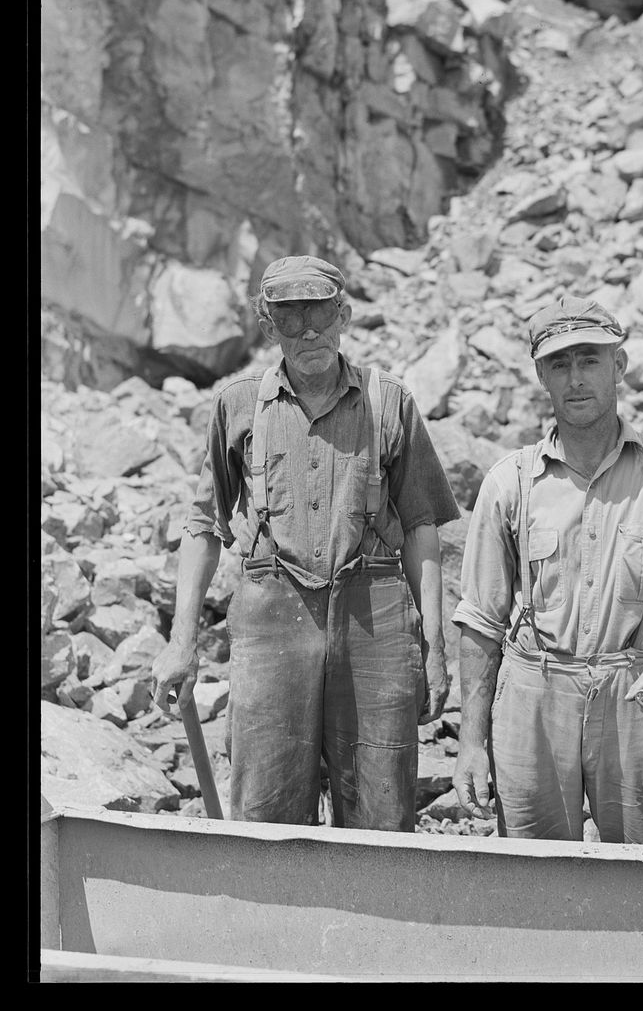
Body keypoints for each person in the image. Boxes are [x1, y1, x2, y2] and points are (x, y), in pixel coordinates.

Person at [151, 255, 460, 831]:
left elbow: (421, 527)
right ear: (268, 327)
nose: (309, 330)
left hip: (375, 620)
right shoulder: (239, 404)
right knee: (264, 804)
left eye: (320, 313)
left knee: (381, 806)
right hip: (273, 618)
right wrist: (181, 640)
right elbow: (202, 525)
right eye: (290, 318)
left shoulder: (390, 401)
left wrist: (435, 649)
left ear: (344, 315)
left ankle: (378, 920)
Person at [451, 295, 643, 844]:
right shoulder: (510, 482)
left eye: (590, 360)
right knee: (533, 876)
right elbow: (480, 623)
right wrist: (470, 743)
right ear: (541, 376)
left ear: (619, 368)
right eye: (560, 364)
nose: (576, 379)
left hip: (635, 690)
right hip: (534, 692)